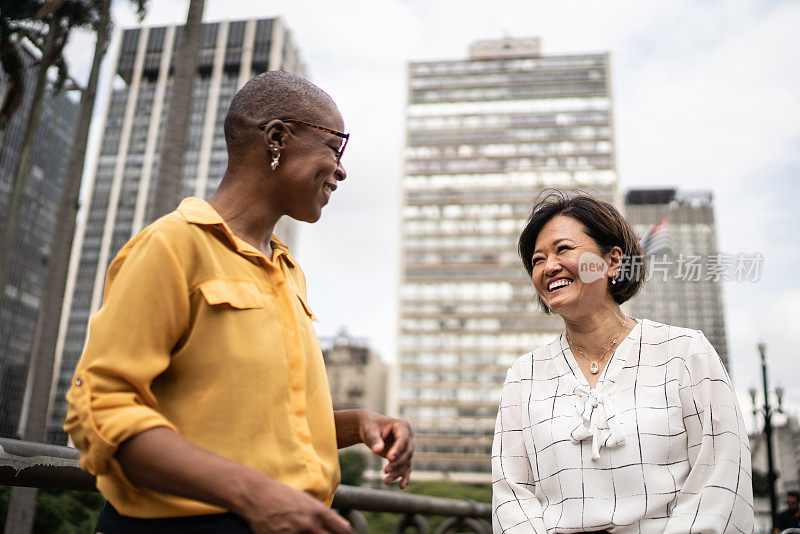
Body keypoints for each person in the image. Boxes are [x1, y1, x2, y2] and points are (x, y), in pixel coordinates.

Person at [64, 71, 413, 534]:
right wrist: (254, 494)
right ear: (276, 138)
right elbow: (97, 410)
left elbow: (258, 424)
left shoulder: (288, 270)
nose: (342, 169)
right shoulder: (172, 244)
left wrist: (358, 424)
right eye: (335, 146)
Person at [491, 192, 753, 533]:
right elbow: (512, 494)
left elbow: (722, 479)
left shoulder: (686, 353)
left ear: (613, 261)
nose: (548, 266)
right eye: (537, 260)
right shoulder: (523, 376)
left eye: (563, 249)